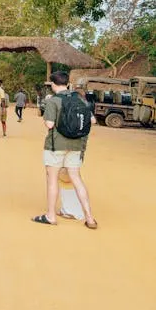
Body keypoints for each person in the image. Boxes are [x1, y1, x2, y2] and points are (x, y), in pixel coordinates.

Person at [32, 70, 97, 228]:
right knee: (77, 179)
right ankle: (89, 218)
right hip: (76, 145)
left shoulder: (53, 101)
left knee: (52, 179)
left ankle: (51, 216)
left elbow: (49, 124)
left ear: (53, 85)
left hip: (56, 145)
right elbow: (93, 120)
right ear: (67, 83)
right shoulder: (79, 99)